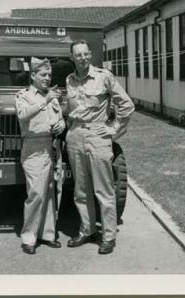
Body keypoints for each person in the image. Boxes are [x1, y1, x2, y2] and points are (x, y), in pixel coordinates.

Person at [65, 40, 135, 255]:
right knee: (81, 190)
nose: (83, 58)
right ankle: (86, 231)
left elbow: (127, 105)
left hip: (98, 136)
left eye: (86, 54)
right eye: (79, 55)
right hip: (75, 136)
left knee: (103, 190)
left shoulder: (104, 76)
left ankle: (108, 236)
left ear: (90, 55)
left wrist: (114, 130)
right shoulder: (69, 80)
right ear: (72, 58)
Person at [15, 58, 65, 255]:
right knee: (36, 194)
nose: (47, 78)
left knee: (51, 192)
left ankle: (48, 234)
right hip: (33, 149)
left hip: (52, 147)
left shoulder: (51, 96)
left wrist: (61, 125)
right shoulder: (24, 95)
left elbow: (59, 118)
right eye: (43, 75)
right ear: (33, 75)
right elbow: (23, 115)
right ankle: (29, 237)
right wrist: (45, 100)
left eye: (49, 75)